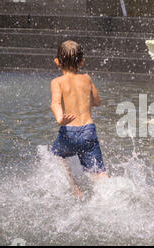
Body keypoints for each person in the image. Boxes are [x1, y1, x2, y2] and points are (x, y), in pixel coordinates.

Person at [50, 40, 108, 198]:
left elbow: (55, 103)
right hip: (88, 131)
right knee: (99, 173)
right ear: (82, 61)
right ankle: (111, 193)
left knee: (55, 155)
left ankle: (75, 189)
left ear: (57, 62)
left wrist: (60, 118)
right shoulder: (87, 79)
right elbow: (97, 101)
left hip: (68, 131)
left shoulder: (57, 82)